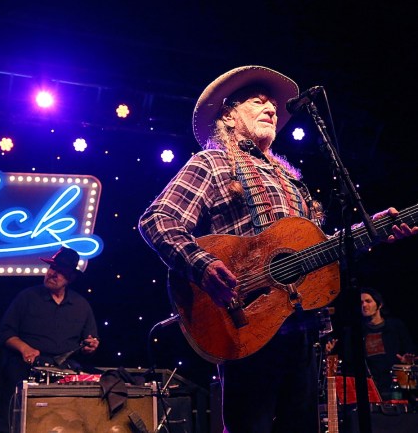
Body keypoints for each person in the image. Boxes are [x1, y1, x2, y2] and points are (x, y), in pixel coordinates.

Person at [138, 65, 418, 432]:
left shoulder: (293, 180)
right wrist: (204, 266)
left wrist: (372, 230)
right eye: (259, 101)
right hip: (243, 322)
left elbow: (320, 252)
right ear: (229, 113)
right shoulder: (213, 162)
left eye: (274, 104)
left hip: (303, 326)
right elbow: (158, 220)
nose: (271, 108)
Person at [0, 246, 100, 432]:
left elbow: (90, 342)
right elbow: (4, 333)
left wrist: (90, 346)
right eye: (52, 268)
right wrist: (24, 348)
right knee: (12, 376)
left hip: (65, 367)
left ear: (71, 278)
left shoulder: (81, 305)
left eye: (60, 272)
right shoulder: (27, 297)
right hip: (28, 365)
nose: (53, 274)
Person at [360, 286, 416, 399]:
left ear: (379, 305)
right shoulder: (358, 332)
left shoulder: (395, 326)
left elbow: (410, 350)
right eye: (361, 302)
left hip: (397, 384)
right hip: (372, 388)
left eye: (368, 301)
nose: (364, 305)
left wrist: (406, 361)